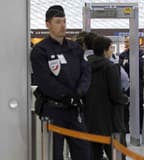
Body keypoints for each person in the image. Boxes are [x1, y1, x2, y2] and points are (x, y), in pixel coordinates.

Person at [30, 5, 90, 160]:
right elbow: (45, 81)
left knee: (83, 153)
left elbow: (85, 72)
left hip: (75, 110)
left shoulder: (75, 48)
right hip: (53, 110)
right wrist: (66, 95)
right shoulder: (41, 50)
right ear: (48, 24)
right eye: (58, 22)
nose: (63, 25)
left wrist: (79, 93)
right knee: (54, 154)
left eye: (64, 21)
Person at [84, 35, 129, 160]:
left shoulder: (86, 66)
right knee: (117, 155)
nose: (112, 51)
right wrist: (125, 99)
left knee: (94, 154)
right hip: (111, 120)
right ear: (105, 50)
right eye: (111, 48)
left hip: (91, 119)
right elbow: (116, 95)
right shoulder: (111, 67)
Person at [119, 36, 144, 133]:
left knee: (138, 106)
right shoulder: (122, 55)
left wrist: (128, 64)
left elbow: (141, 69)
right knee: (125, 106)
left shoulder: (141, 54)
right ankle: (125, 127)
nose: (126, 43)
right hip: (126, 85)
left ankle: (140, 128)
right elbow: (121, 68)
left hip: (138, 84)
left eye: (128, 41)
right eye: (125, 41)